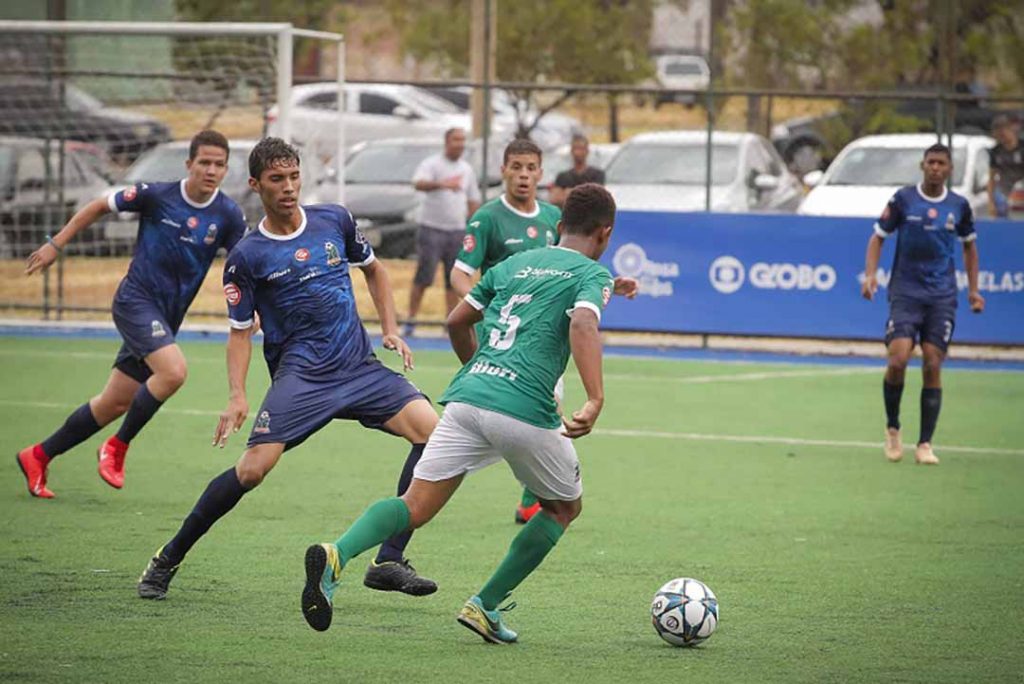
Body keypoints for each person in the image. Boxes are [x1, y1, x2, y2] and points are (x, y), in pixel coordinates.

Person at [300, 183, 617, 641]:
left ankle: (337, 554)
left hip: (468, 397)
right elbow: (583, 322)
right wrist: (594, 398)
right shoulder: (591, 273)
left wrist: (480, 368)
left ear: (560, 225)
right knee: (563, 507)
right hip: (524, 407)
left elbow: (455, 320)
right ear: (604, 235)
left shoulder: (513, 264)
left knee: (414, 504)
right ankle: (485, 605)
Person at [136, 138, 439, 600]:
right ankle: (168, 557)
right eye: (277, 179)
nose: (289, 187)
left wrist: (391, 328)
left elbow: (375, 270)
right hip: (303, 378)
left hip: (358, 366)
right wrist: (237, 394)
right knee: (253, 470)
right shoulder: (247, 256)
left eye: (294, 176)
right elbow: (240, 333)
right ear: (256, 185)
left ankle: (388, 560)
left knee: (433, 437)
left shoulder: (334, 220)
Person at [15, 130, 247, 498]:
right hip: (135, 302)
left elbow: (243, 265)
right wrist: (55, 244)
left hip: (168, 317)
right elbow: (97, 206)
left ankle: (38, 455)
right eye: (204, 162)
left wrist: (259, 304)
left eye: (219, 164)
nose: (211, 170)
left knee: (114, 403)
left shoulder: (229, 215)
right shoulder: (157, 196)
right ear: (189, 164)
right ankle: (117, 447)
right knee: (173, 372)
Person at [450, 138, 637, 526]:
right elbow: (460, 273)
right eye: (515, 167)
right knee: (529, 414)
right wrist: (482, 306)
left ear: (540, 172)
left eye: (530, 168)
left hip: (540, 334)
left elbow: (569, 269)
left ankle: (531, 499)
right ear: (503, 170)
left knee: (543, 409)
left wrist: (608, 285)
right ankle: (540, 495)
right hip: (503, 333)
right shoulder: (487, 218)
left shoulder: (554, 217)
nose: (523, 175)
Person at [862, 143, 984, 465]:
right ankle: (892, 427)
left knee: (932, 362)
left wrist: (974, 290)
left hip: (942, 295)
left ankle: (925, 444)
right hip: (905, 291)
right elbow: (877, 237)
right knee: (898, 359)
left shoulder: (959, 206)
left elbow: (970, 248)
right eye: (930, 162)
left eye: (941, 163)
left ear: (949, 169)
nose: (935, 168)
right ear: (922, 165)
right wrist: (871, 275)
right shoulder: (903, 199)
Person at [405, 127, 481, 336]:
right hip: (431, 228)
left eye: (462, 140)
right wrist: (442, 184)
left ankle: (450, 323)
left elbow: (473, 199)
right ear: (447, 141)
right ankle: (410, 319)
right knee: (424, 275)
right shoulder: (432, 164)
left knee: (453, 278)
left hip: (456, 231)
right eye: (456, 139)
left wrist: (473, 225)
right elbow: (418, 183)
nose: (460, 144)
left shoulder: (466, 169)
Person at [549, 135, 606, 207]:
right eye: (575, 149)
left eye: (581, 149)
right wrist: (586, 195)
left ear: (587, 151)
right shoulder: (562, 176)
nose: (578, 152)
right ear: (571, 151)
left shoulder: (598, 174)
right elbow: (555, 199)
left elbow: (598, 199)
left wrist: (569, 193)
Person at [987, 114, 1023, 218]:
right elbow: (991, 179)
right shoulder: (995, 151)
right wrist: (990, 203)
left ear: (1011, 130)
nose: (1001, 137)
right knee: (1001, 202)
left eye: (1003, 133)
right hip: (1004, 190)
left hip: (1021, 190)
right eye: (998, 135)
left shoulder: (1022, 148)